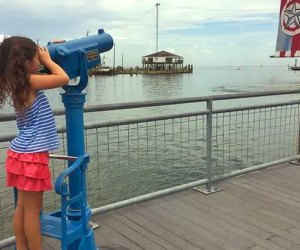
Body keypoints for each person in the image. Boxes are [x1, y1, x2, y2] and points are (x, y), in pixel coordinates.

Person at [0, 36, 69, 250]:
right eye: (36, 57)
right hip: (32, 154)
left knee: (21, 208)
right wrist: (48, 59)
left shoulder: (16, 82)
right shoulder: (30, 81)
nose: (39, 61)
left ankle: (22, 248)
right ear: (26, 62)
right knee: (32, 211)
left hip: (20, 152)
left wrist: (40, 58)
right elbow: (63, 78)